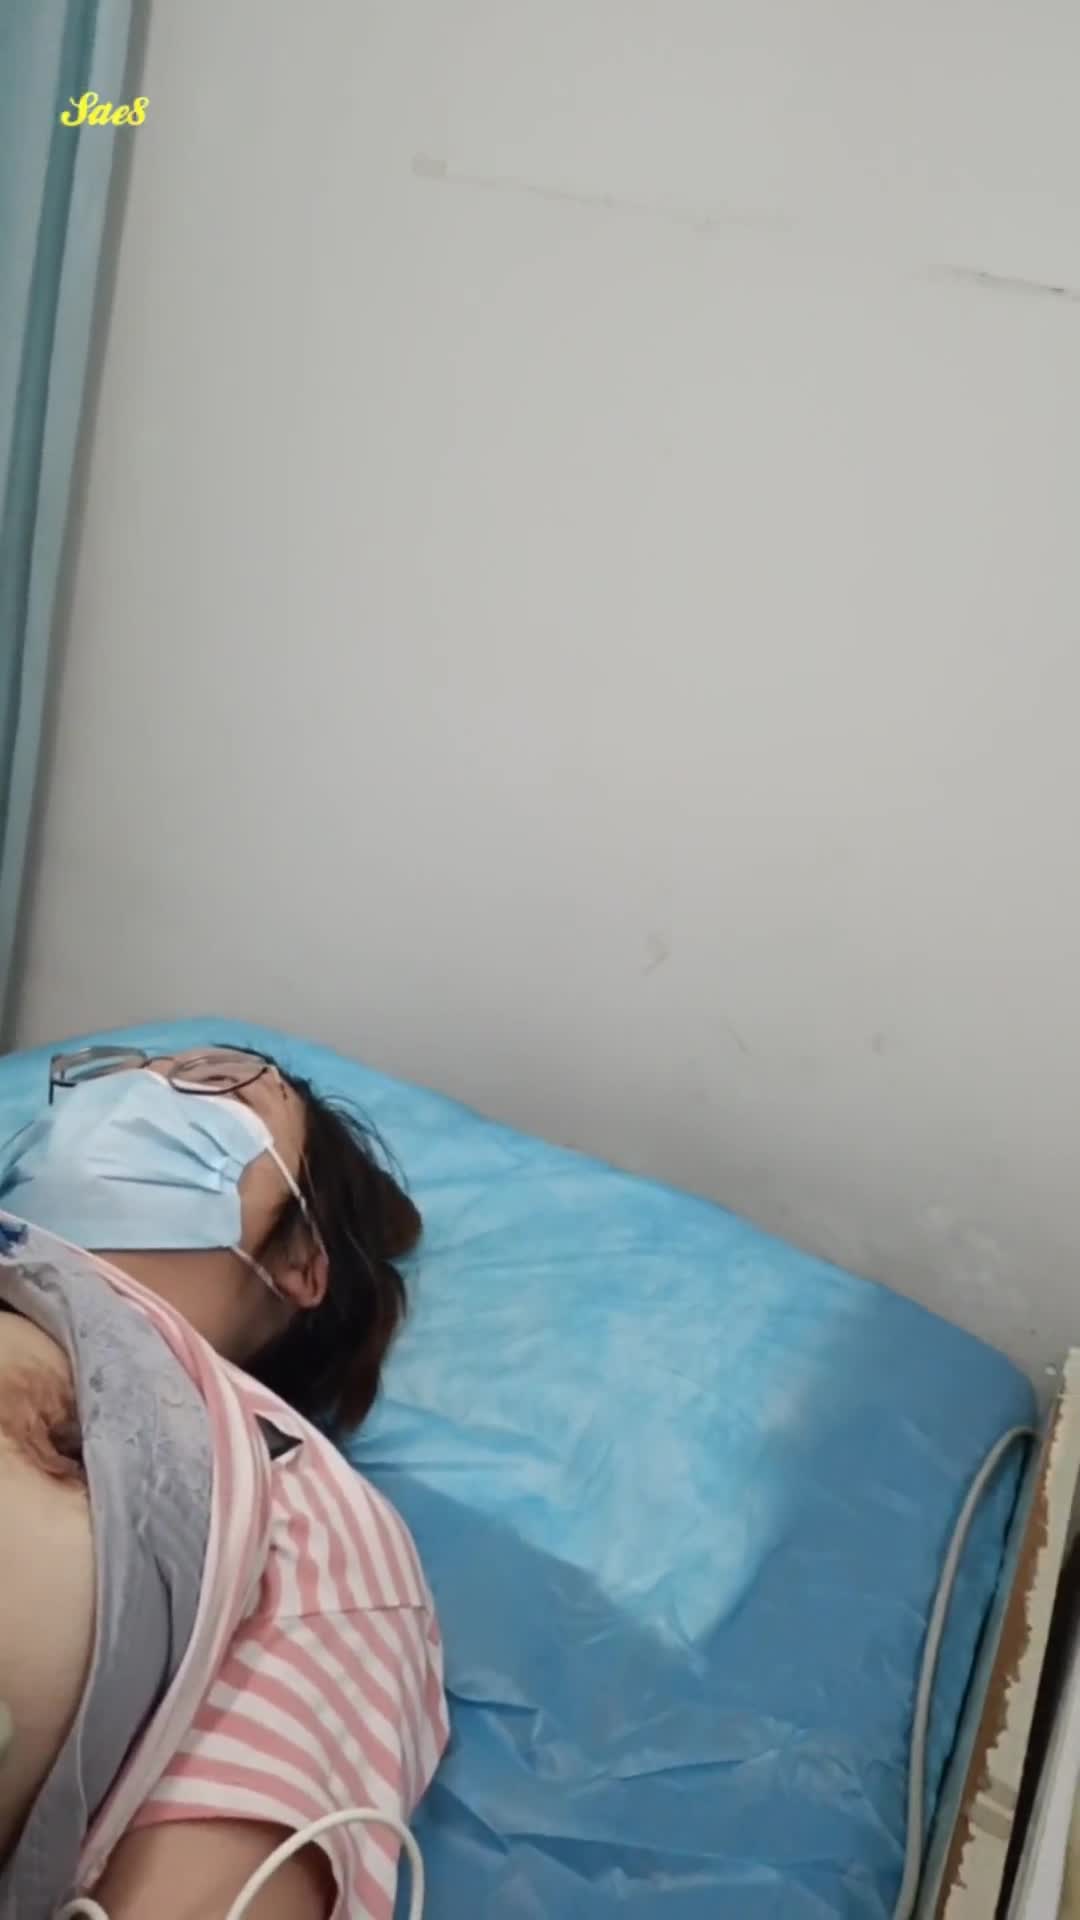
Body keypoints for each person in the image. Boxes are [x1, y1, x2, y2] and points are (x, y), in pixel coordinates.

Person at [0, 1043, 447, 1920]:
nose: (139, 1088)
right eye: (116, 1074)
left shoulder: (295, 1501)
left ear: (303, 1262)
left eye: (216, 1086)